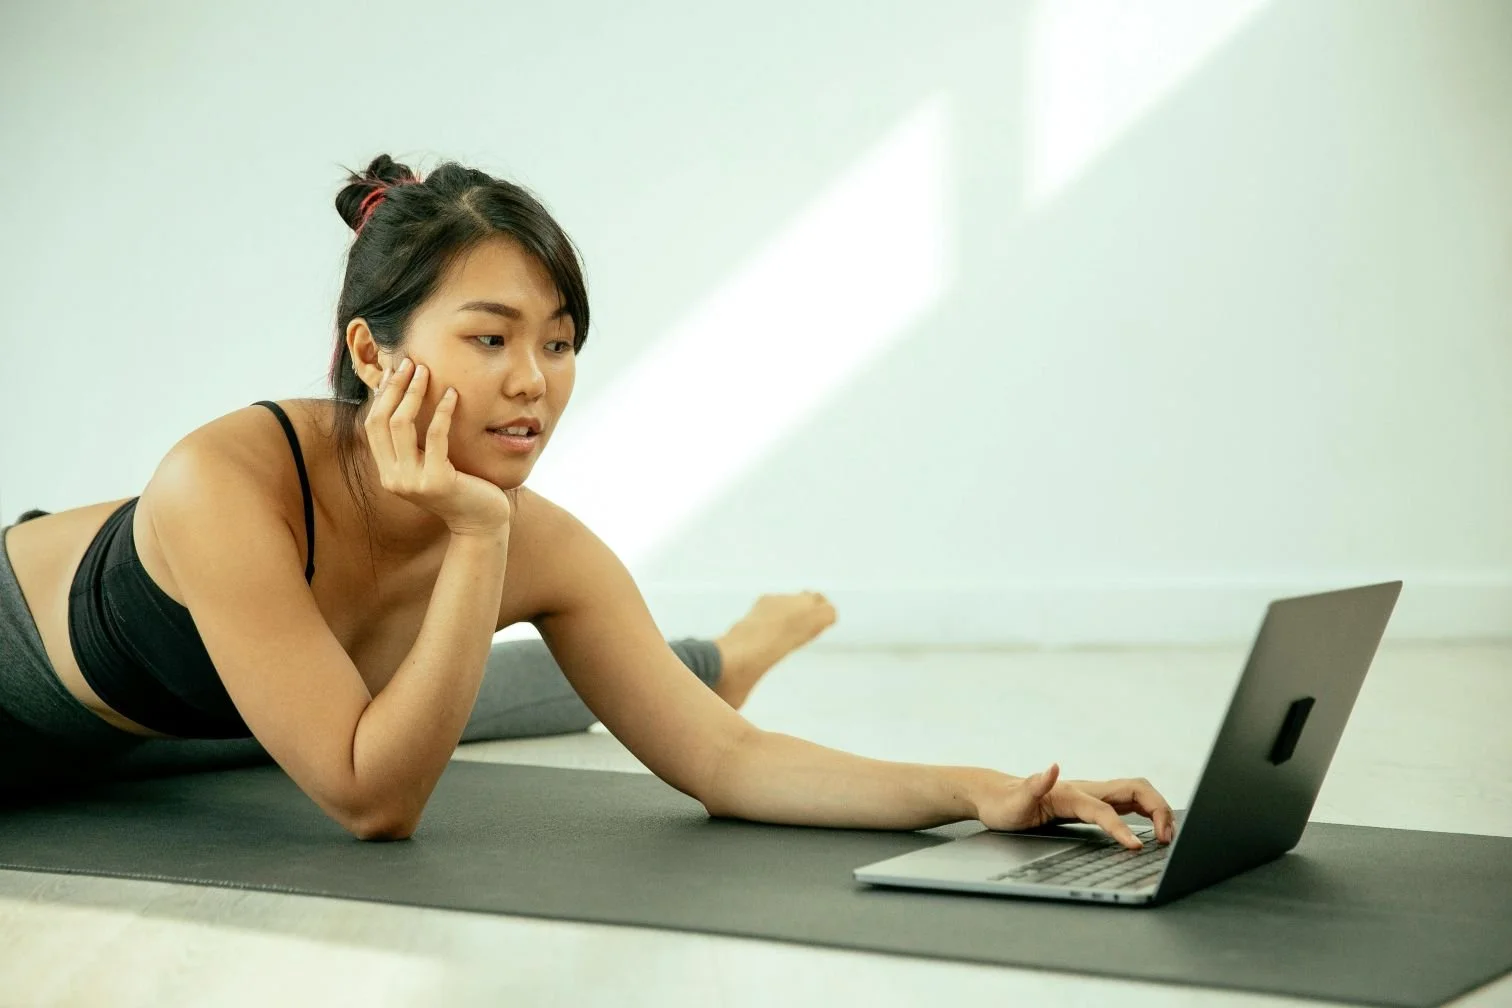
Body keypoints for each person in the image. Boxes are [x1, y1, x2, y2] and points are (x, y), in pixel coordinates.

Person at [0, 154, 1174, 846]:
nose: (534, 381)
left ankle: (717, 660)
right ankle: (721, 652)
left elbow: (726, 762)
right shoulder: (226, 484)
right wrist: (477, 534)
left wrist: (980, 791)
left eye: (558, 342)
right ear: (370, 352)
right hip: (21, 710)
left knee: (431, 697)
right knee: (474, 701)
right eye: (491, 337)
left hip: (153, 739)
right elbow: (373, 801)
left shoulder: (540, 542)